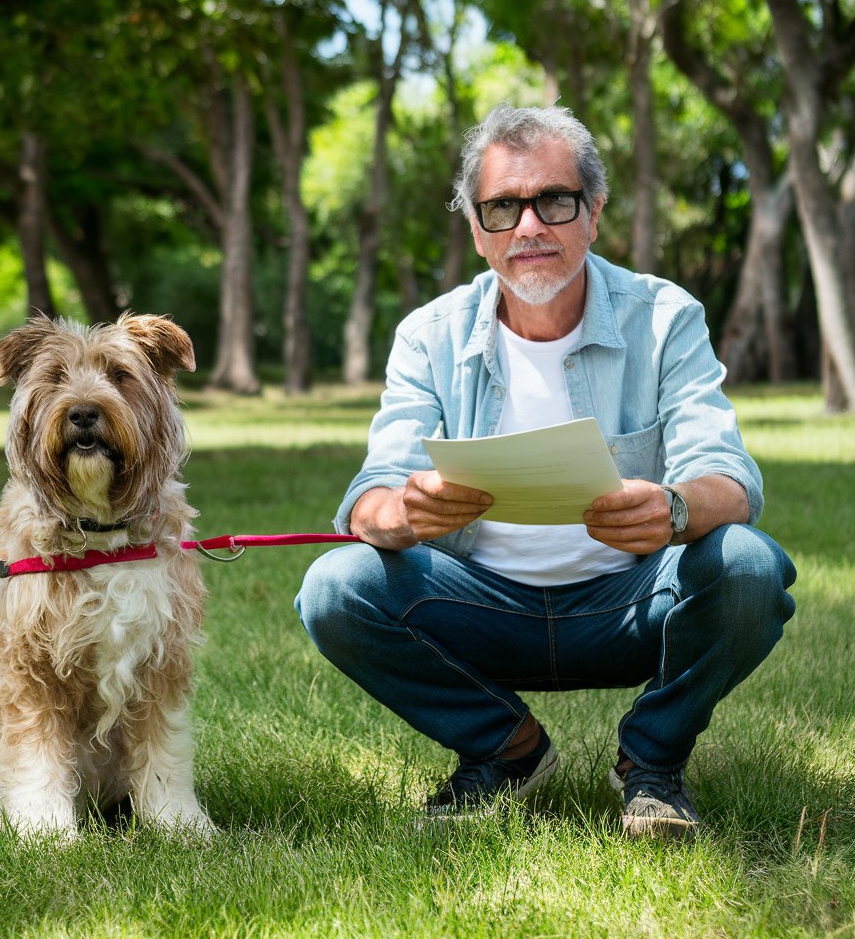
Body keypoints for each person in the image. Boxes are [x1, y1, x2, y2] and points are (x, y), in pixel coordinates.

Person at [296, 103, 797, 837]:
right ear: (477, 229)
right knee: (335, 588)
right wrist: (404, 512)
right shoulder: (429, 334)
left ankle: (650, 762)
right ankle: (507, 750)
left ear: (593, 212)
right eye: (502, 207)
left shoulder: (664, 316)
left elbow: (728, 475)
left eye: (553, 201)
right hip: (480, 608)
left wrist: (675, 508)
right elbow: (370, 495)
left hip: (630, 603)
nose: (528, 226)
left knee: (750, 569)